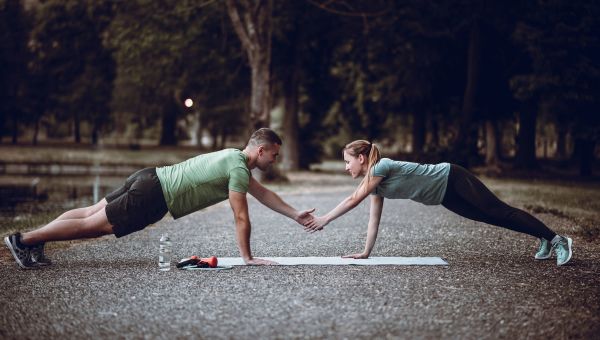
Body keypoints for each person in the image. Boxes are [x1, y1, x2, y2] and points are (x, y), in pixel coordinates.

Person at [5, 128, 314, 269]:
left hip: (150, 176)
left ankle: (33, 239)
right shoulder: (237, 167)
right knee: (94, 225)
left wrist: (295, 214)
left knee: (89, 212)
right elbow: (241, 216)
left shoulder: (235, 160)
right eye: (274, 154)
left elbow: (264, 195)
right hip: (154, 194)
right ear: (261, 150)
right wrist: (248, 258)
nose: (275, 160)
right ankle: (25, 240)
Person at [303, 140, 573, 266]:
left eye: (347, 161)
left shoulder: (381, 166)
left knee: (498, 210)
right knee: (491, 217)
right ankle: (543, 238)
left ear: (361, 158)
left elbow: (353, 199)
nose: (345, 167)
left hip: (452, 177)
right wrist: (365, 252)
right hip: (445, 196)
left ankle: (557, 239)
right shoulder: (375, 185)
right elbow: (374, 219)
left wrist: (325, 218)